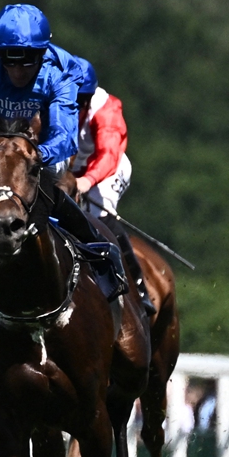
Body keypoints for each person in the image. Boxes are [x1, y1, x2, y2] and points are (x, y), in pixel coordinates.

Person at [0, 3, 118, 321]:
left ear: (43, 53)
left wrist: (27, 159)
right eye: (9, 62)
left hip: (39, 149)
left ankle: (102, 259)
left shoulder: (61, 68)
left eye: (28, 62)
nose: (18, 72)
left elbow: (65, 137)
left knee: (46, 192)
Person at [67, 57, 154, 315]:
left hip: (108, 169)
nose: (76, 106)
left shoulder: (104, 110)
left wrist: (86, 181)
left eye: (81, 100)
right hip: (73, 170)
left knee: (99, 213)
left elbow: (107, 155)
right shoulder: (57, 100)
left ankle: (139, 290)